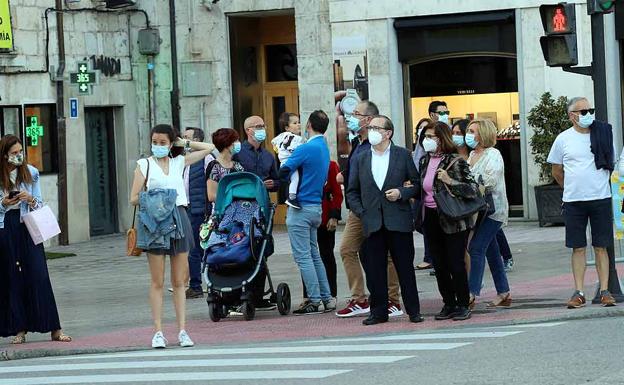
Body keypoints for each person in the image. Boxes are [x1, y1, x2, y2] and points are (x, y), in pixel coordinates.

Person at [130, 124, 215, 348]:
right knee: (157, 281)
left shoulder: (179, 162)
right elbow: (133, 198)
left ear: (170, 143)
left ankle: (182, 330)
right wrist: (159, 197)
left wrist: (183, 143)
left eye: (163, 142)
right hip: (156, 221)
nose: (158, 146)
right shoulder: (144, 164)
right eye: (155, 142)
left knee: (179, 281)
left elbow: (210, 147)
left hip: (180, 216)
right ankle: (158, 331)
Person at [347, 115, 424, 325]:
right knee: (374, 270)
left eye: (375, 127)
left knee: (405, 268)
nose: (370, 130)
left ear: (388, 133)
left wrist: (401, 193)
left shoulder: (402, 155)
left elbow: (416, 185)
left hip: (398, 220)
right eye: (370, 127)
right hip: (371, 221)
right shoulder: (361, 158)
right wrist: (361, 212)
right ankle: (378, 312)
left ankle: (413, 310)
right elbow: (352, 191)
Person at [0, 135, 71, 345]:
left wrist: (29, 198)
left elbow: (39, 203)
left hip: (28, 224)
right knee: (12, 277)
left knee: (39, 273)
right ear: (5, 155)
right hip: (7, 226)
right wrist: (4, 203)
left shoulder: (30, 172)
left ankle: (54, 328)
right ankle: (19, 329)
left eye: (20, 151)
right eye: (14, 153)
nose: (18, 156)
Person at [547, 97, 616, 308]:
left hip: (600, 197)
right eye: (583, 111)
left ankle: (605, 291)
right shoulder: (563, 139)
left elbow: (610, 161)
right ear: (572, 116)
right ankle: (579, 291)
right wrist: (570, 187)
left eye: (590, 110)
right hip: (574, 201)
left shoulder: (602, 133)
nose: (588, 114)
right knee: (577, 247)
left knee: (601, 246)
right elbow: (556, 170)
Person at [336, 99, 403, 318]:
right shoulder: (358, 143)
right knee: (347, 249)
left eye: (356, 114)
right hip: (358, 209)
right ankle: (360, 298)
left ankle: (393, 299)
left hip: (379, 207)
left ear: (368, 119)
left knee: (388, 255)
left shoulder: (377, 146)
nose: (351, 118)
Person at [418, 122, 476, 321]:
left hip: (452, 218)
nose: (427, 140)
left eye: (432, 136)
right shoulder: (424, 161)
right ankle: (448, 303)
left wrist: (450, 181)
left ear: (442, 138)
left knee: (455, 263)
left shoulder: (456, 161)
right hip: (431, 218)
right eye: (425, 136)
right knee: (439, 264)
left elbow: (473, 189)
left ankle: (462, 303)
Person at [278, 110, 332, 315]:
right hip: (316, 206)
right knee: (314, 254)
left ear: (309, 125)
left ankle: (315, 299)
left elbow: (285, 171)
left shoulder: (306, 148)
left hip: (300, 208)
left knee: (303, 257)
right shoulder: (323, 147)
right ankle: (327, 298)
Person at [233, 115, 280, 311]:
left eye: (263, 125)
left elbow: (278, 181)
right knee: (241, 247)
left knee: (262, 249)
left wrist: (273, 184)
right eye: (257, 126)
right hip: (242, 207)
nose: (262, 129)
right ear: (248, 130)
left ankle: (258, 296)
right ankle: (240, 295)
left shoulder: (269, 156)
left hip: (263, 207)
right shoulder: (238, 153)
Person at [465, 119, 512, 309]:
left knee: (476, 248)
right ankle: (504, 292)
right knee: (492, 252)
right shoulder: (471, 155)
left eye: (472, 131)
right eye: (469, 130)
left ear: (482, 134)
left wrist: (469, 184)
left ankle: (471, 293)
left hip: (493, 211)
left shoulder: (493, 154)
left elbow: (490, 179)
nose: (469, 135)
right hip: (478, 211)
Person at [300, 160, 343, 306]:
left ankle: (331, 294)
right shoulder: (301, 165)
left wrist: (334, 215)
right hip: (305, 216)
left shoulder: (330, 165)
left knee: (327, 255)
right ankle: (308, 296)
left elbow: (337, 192)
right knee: (306, 257)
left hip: (325, 217)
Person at [182, 127, 215, 299]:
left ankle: (196, 285)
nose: (184, 141)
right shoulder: (185, 159)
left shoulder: (207, 158)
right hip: (188, 208)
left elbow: (211, 183)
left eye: (187, 138)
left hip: (200, 210)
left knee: (197, 249)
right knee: (193, 249)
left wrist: (208, 210)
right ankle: (195, 283)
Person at [414, 118, 435, 271]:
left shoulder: (449, 158)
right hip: (423, 201)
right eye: (422, 132)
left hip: (441, 206)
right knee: (421, 225)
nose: (426, 139)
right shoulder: (421, 156)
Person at [271, 112, 305, 209]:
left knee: (291, 180)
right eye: (294, 123)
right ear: (287, 127)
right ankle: (292, 197)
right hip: (289, 163)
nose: (298, 124)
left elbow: (273, 141)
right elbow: (296, 149)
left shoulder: (281, 136)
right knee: (295, 179)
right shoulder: (295, 137)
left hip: (283, 163)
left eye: (298, 122)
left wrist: (277, 149)